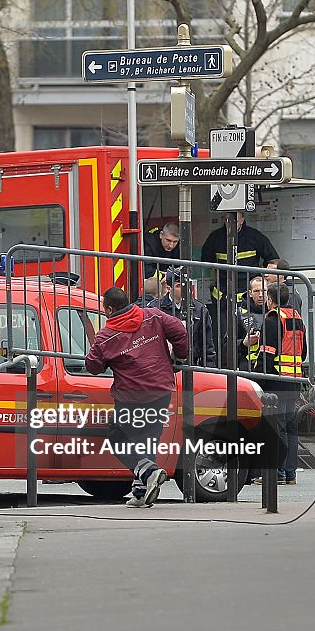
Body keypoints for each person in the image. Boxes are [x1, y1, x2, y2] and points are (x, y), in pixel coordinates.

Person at [84, 287, 189, 507]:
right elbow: (179, 330)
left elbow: (93, 367)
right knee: (147, 439)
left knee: (117, 437)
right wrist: (178, 356)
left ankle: (149, 473)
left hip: (132, 395)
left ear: (109, 308)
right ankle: (142, 493)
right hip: (161, 389)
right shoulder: (153, 315)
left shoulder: (106, 336)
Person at [254, 282, 308, 485]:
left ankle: (278, 473)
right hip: (294, 380)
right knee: (291, 427)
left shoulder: (272, 320)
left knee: (277, 427)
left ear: (270, 299)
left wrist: (258, 379)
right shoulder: (297, 319)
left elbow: (267, 355)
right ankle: (290, 473)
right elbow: (303, 353)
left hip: (276, 380)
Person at [201, 211, 278, 304]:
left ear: (242, 220)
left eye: (235, 221)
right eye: (227, 221)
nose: (230, 225)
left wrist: (264, 280)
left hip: (249, 296)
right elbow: (206, 259)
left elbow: (272, 260)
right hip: (222, 296)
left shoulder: (255, 237)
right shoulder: (215, 238)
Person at [152, 269, 218, 367]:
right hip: (163, 364)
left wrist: (208, 368)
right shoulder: (156, 308)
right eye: (178, 286)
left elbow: (207, 345)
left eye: (186, 284)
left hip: (192, 363)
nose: (184, 289)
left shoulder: (199, 309)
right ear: (169, 288)